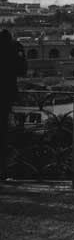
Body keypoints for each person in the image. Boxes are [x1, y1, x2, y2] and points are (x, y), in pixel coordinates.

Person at [0, 30, 28, 180]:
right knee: (3, 134)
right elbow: (22, 70)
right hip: (5, 94)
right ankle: (2, 172)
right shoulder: (14, 47)